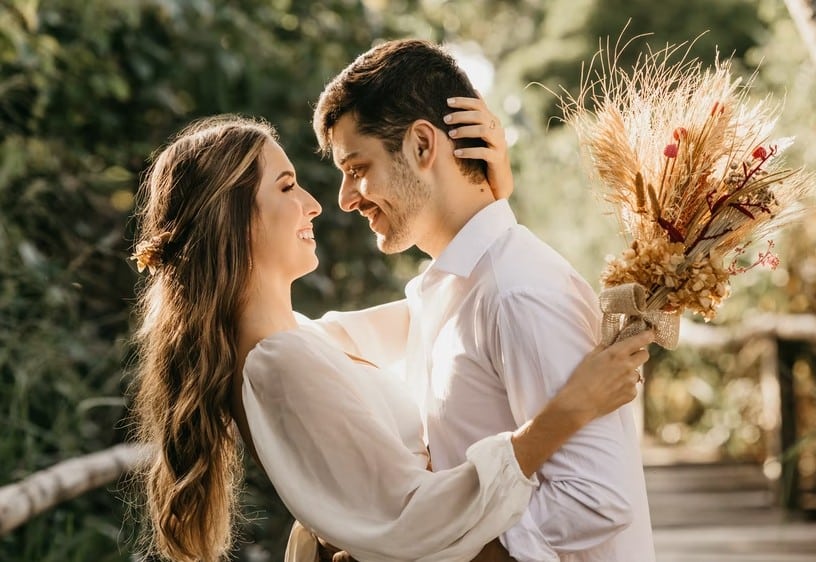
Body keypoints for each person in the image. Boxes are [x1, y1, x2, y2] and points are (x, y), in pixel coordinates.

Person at [128, 114, 653, 562]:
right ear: (232, 218)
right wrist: (566, 413)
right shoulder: (277, 364)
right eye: (287, 186)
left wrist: (484, 201)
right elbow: (410, 517)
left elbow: (446, 303)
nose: (315, 204)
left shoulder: (304, 341)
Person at [311, 38, 656, 561]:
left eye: (357, 168)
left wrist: (424, 555)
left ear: (423, 146)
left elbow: (597, 498)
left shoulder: (519, 292)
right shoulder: (445, 289)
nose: (345, 197)